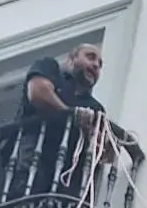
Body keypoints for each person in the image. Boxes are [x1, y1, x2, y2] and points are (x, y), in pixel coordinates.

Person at [9, 41, 139, 196]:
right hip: (32, 161)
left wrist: (104, 144)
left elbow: (104, 155)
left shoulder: (95, 107)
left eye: (100, 64)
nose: (96, 65)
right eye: (90, 57)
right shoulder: (50, 69)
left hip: (65, 179)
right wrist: (72, 115)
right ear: (71, 60)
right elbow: (38, 92)